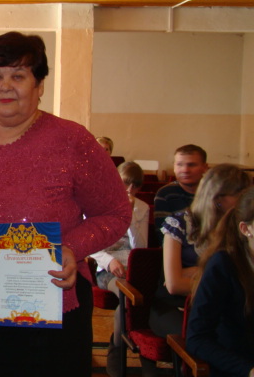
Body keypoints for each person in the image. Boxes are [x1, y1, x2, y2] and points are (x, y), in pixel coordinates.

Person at [0, 31, 132, 376]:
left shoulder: (72, 141)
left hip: (49, 315)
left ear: (40, 85)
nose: (5, 86)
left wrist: (71, 248)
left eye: (18, 76)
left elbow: (115, 213)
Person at [149, 164, 250, 342]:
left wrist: (193, 272)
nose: (245, 201)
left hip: (220, 305)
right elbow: (174, 285)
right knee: (202, 337)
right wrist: (218, 278)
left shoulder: (241, 227)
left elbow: (244, 279)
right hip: (173, 306)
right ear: (217, 198)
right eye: (240, 194)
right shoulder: (179, 223)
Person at [187, 186, 254, 377]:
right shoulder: (223, 264)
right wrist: (248, 370)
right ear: (245, 229)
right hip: (237, 365)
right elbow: (197, 338)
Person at [90, 161, 149, 377]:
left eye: (135, 185)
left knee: (138, 300)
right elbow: (92, 245)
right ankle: (117, 357)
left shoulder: (141, 207)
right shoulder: (99, 204)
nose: (130, 190)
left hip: (132, 265)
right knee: (126, 296)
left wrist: (130, 217)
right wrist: (109, 261)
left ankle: (135, 353)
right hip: (108, 268)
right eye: (125, 183)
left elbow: (140, 247)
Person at [153, 144, 208, 246]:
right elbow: (163, 235)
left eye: (192, 165)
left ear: (205, 168)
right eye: (179, 164)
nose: (185, 170)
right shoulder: (165, 194)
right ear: (174, 167)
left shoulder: (214, 193)